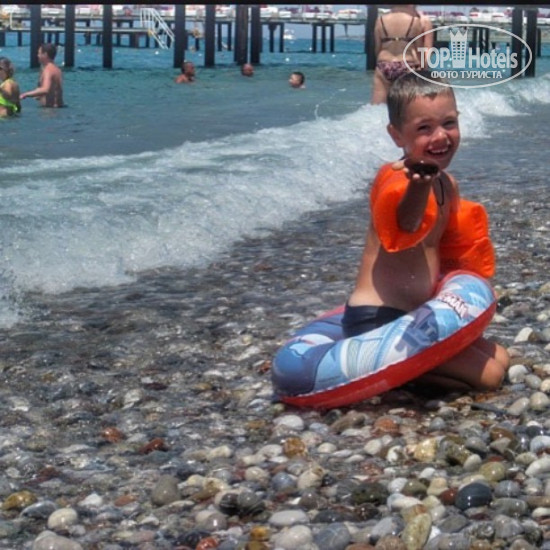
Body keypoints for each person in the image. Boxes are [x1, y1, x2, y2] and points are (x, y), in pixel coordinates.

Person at [343, 72, 509, 392]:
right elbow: (406, 225)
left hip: (415, 316)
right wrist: (418, 188)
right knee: (490, 376)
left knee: (500, 357)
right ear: (396, 135)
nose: (440, 136)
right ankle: (390, 381)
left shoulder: (447, 183)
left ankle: (412, 372)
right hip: (376, 320)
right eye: (424, 128)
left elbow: (448, 252)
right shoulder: (397, 180)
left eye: (449, 123)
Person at [372, 5, 433, 104]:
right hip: (408, 65)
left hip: (384, 65)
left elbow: (377, 48)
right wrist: (422, 68)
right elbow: (421, 49)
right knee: (408, 107)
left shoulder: (380, 20)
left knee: (377, 107)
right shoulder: (416, 21)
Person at [20, 43, 64, 108]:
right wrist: (38, 95)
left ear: (45, 54)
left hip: (49, 110)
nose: (38, 56)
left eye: (39, 53)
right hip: (58, 108)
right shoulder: (57, 70)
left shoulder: (48, 70)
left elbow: (45, 89)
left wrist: (25, 94)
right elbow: (53, 90)